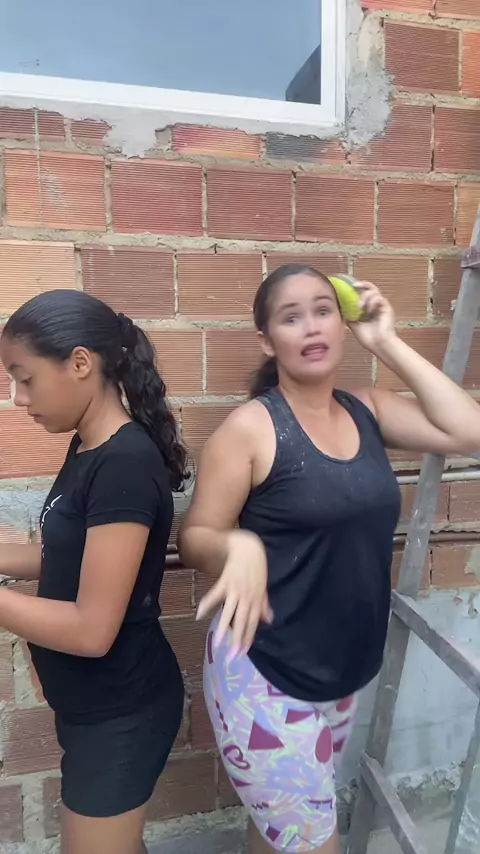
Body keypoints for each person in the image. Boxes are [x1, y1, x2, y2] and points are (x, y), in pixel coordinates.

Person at [178, 264, 480, 854]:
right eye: (291, 317)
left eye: (323, 310)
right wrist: (236, 544)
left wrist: (385, 341)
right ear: (268, 340)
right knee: (314, 842)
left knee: (281, 832)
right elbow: (196, 536)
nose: (312, 326)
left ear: (343, 323)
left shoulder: (368, 408)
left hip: (340, 672)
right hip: (264, 672)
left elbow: (470, 432)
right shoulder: (251, 429)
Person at [0, 290, 189, 854]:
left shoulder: (123, 464)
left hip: (121, 712)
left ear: (80, 363)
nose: (17, 398)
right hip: (90, 706)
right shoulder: (87, 447)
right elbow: (63, 558)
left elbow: (91, 629)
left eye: (25, 379)